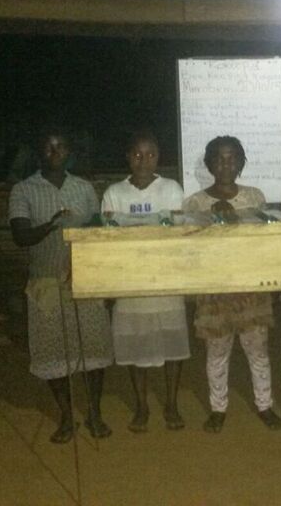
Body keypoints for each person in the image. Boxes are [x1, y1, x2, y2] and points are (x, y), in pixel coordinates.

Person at [9, 127, 113, 443]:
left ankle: (94, 412)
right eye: (49, 147)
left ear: (70, 151)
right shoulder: (23, 190)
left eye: (61, 146)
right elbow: (20, 236)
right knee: (53, 353)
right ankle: (67, 416)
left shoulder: (84, 188)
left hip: (83, 280)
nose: (55, 153)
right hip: (46, 282)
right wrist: (52, 224)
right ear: (39, 152)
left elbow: (97, 232)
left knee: (93, 349)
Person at [183, 136, 281, 433]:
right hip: (214, 289)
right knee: (217, 354)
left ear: (240, 163)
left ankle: (265, 405)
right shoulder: (195, 202)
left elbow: (265, 241)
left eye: (231, 159)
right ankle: (218, 408)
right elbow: (190, 247)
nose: (225, 165)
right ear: (209, 164)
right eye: (219, 159)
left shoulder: (254, 197)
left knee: (258, 352)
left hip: (250, 287)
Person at [101, 131, 190, 432]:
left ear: (158, 157)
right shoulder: (114, 193)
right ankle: (141, 406)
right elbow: (108, 236)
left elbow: (178, 232)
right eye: (137, 155)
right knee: (136, 349)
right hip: (131, 283)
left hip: (165, 281)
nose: (143, 161)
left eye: (150, 154)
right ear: (128, 157)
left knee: (172, 349)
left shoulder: (172, 189)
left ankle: (172, 404)